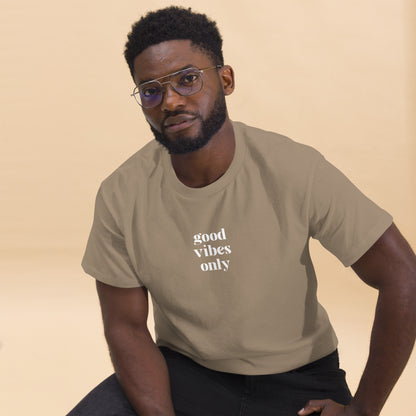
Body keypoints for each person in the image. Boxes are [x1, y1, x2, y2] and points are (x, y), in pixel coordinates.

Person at [67, 6, 416, 416]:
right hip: (184, 374)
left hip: (298, 380)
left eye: (188, 79)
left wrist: (362, 411)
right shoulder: (120, 194)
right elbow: (125, 325)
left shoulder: (294, 168)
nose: (171, 101)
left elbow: (403, 275)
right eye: (150, 91)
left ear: (225, 79)